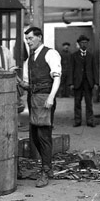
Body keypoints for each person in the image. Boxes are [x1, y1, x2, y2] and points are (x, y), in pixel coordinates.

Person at [19, 27, 61, 188]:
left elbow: (56, 78)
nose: (28, 42)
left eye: (30, 38)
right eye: (27, 39)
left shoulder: (51, 54)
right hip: (33, 98)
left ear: (39, 37)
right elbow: (29, 84)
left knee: (43, 135)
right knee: (35, 136)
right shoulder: (30, 59)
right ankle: (47, 166)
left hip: (45, 98)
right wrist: (21, 83)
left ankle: (45, 170)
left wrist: (51, 97)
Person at [67, 35, 98, 127]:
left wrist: (96, 82)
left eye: (85, 43)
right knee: (77, 102)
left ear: (87, 44)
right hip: (77, 82)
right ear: (79, 44)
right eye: (82, 43)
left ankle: (90, 120)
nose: (84, 44)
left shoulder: (91, 56)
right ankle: (77, 120)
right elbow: (71, 69)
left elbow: (94, 69)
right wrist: (71, 83)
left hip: (88, 82)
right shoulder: (74, 56)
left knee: (89, 102)